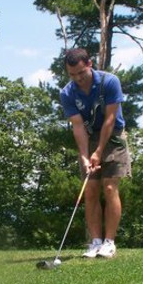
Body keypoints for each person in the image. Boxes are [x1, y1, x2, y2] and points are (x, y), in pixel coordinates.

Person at [59, 48, 132, 259]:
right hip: (89, 136)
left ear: (89, 64)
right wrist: (84, 155)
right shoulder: (67, 93)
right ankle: (95, 242)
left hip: (114, 135)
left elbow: (110, 119)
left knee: (109, 187)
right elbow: (78, 126)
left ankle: (109, 243)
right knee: (90, 190)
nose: (77, 78)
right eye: (72, 75)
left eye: (81, 73)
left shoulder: (109, 82)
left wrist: (99, 151)